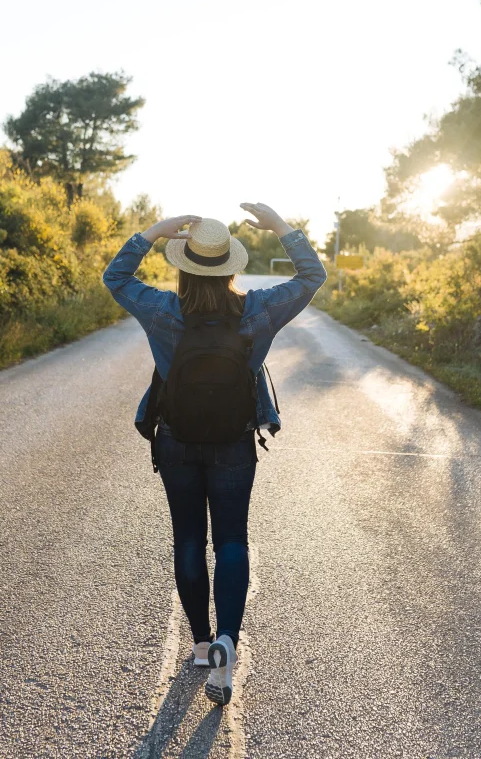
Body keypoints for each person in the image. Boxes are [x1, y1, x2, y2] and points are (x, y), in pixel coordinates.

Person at [103, 202, 327, 705]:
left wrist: (153, 232)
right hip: (233, 442)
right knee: (231, 539)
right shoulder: (258, 310)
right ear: (231, 266)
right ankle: (228, 638)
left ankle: (203, 646)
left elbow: (115, 278)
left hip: (176, 439)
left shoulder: (163, 310)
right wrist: (280, 227)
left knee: (188, 538)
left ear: (185, 267)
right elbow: (313, 276)